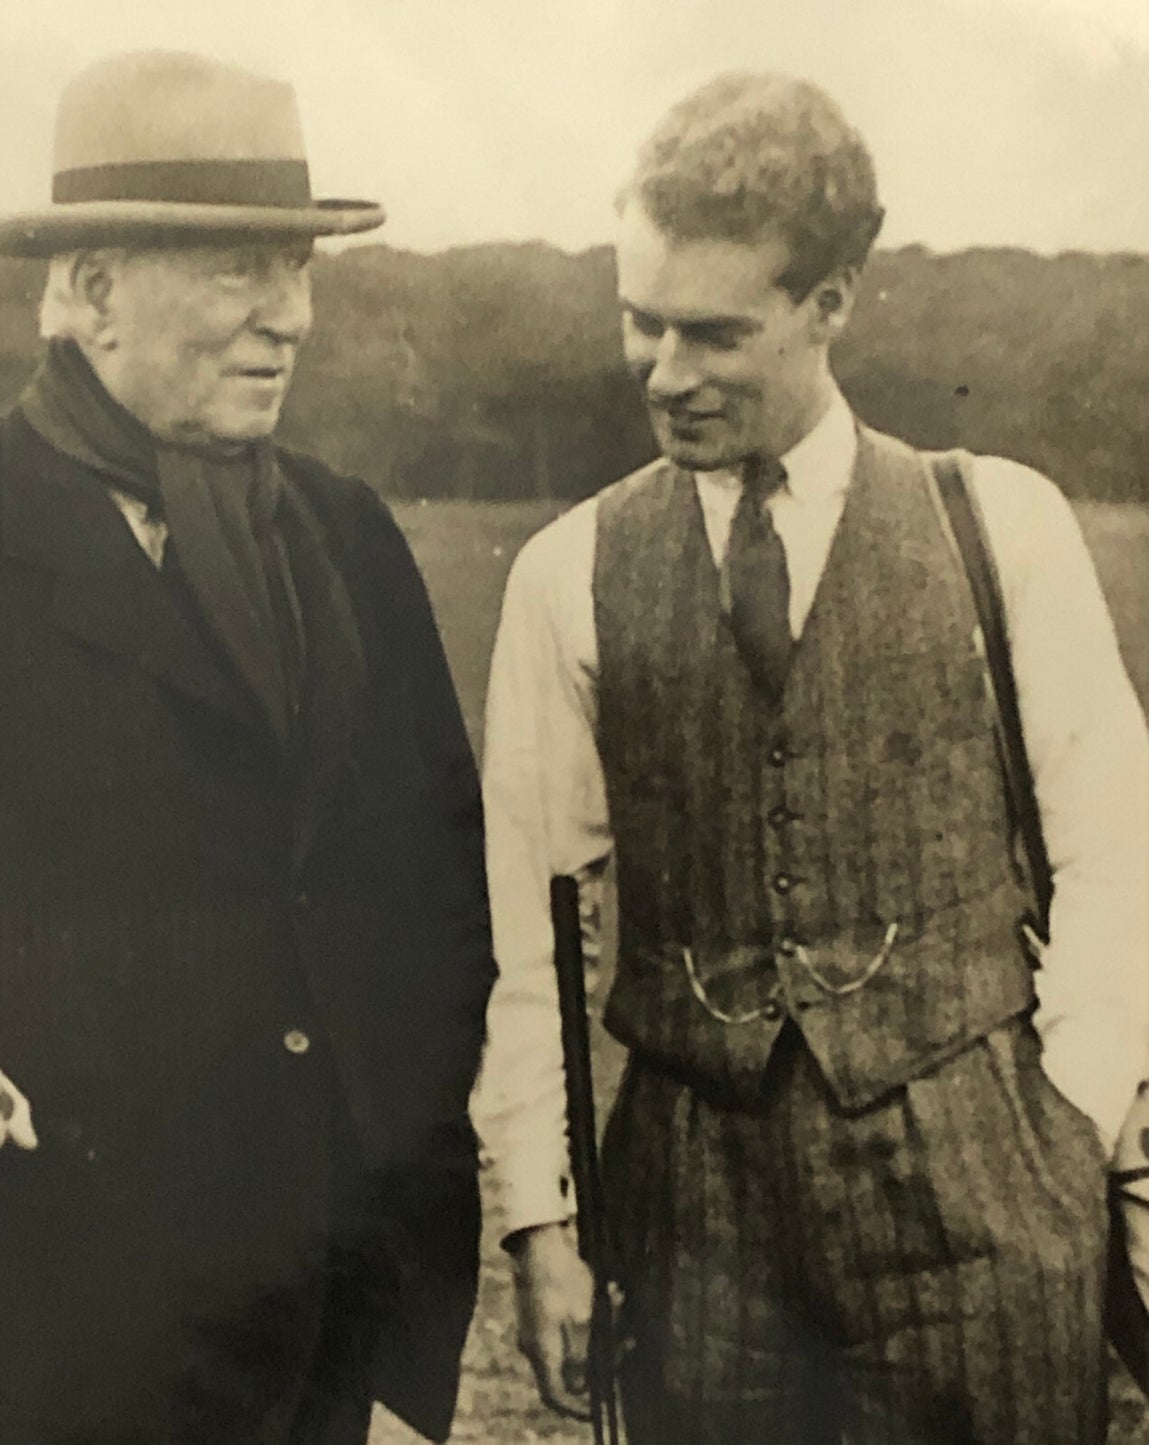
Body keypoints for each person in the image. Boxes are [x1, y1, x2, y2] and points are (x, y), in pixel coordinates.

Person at [0, 50, 494, 1445]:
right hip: (39, 1324)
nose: (288, 317)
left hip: (311, 1319)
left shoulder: (349, 536)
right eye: (236, 271)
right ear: (91, 290)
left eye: (300, 270)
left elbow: (432, 884)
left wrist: (394, 1185)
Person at [474, 72, 1149, 1443]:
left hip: (974, 1200)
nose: (665, 371)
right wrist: (542, 1218)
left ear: (831, 302)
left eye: (714, 332)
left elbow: (1114, 853)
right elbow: (530, 934)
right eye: (639, 321)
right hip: (691, 1222)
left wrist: (1057, 1133)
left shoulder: (995, 526)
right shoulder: (568, 573)